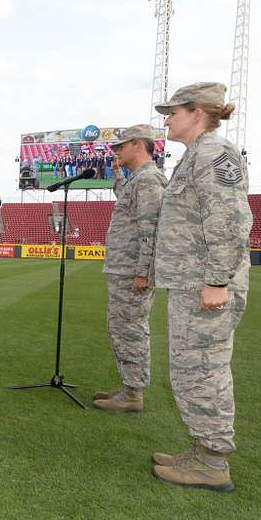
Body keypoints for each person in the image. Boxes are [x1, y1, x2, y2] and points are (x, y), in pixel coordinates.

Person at [150, 82, 252, 492]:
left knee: (204, 371)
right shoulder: (196, 156)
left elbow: (228, 220)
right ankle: (202, 448)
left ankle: (212, 462)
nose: (167, 119)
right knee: (191, 370)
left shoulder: (213, 153)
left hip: (205, 286)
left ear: (197, 112)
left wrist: (216, 281)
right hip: (192, 283)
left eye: (173, 112)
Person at [93, 125, 167, 413]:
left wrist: (143, 271)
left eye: (121, 146)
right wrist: (117, 174)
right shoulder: (138, 179)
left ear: (138, 145)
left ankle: (133, 393)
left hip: (131, 271)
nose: (117, 152)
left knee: (130, 330)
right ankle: (128, 387)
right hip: (123, 268)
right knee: (121, 328)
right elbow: (126, 197)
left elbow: (151, 229)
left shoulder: (149, 180)